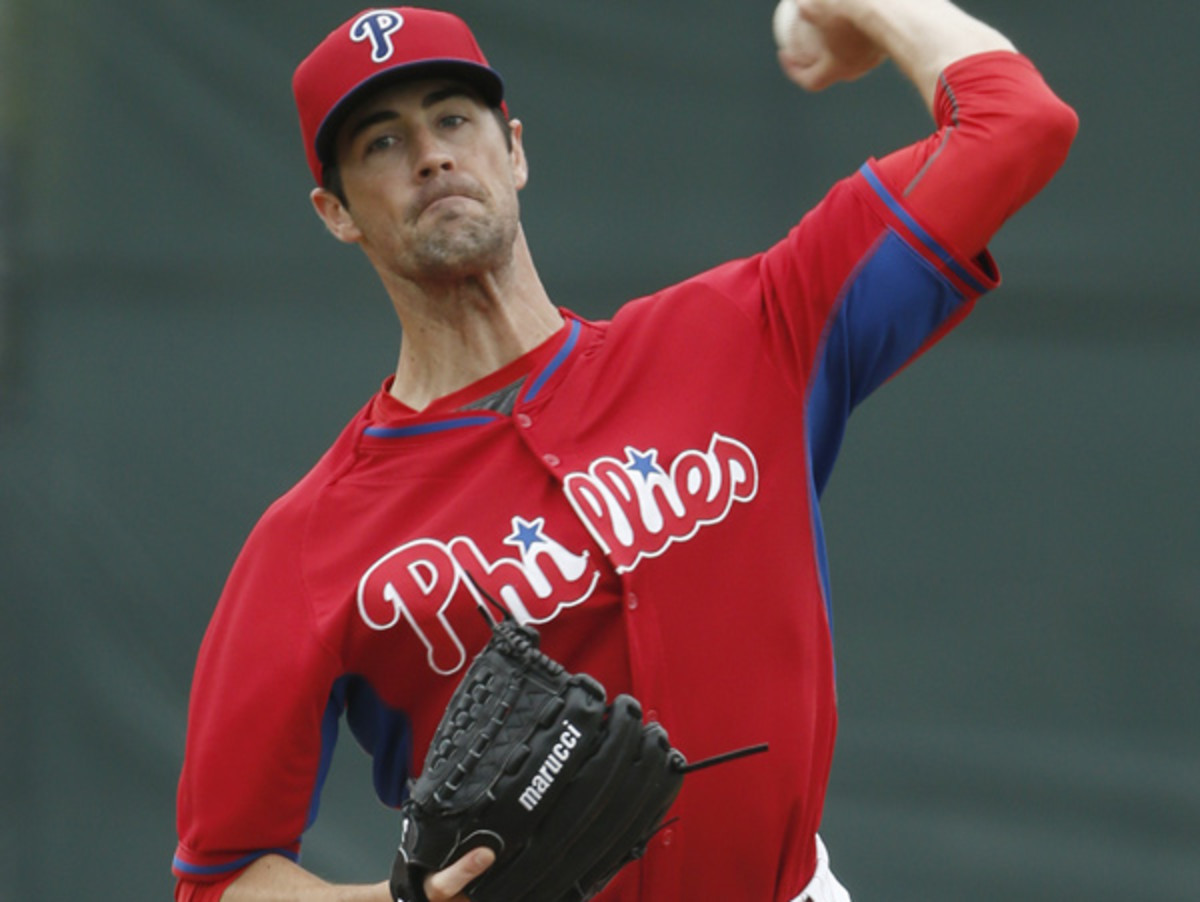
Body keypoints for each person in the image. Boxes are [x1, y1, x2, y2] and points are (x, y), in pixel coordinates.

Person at [172, 2, 1077, 900]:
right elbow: (218, 881)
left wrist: (860, 7)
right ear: (336, 211)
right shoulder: (311, 543)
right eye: (380, 141)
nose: (432, 154)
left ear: (515, 149)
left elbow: (1018, 122)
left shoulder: (746, 334)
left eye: (453, 117)